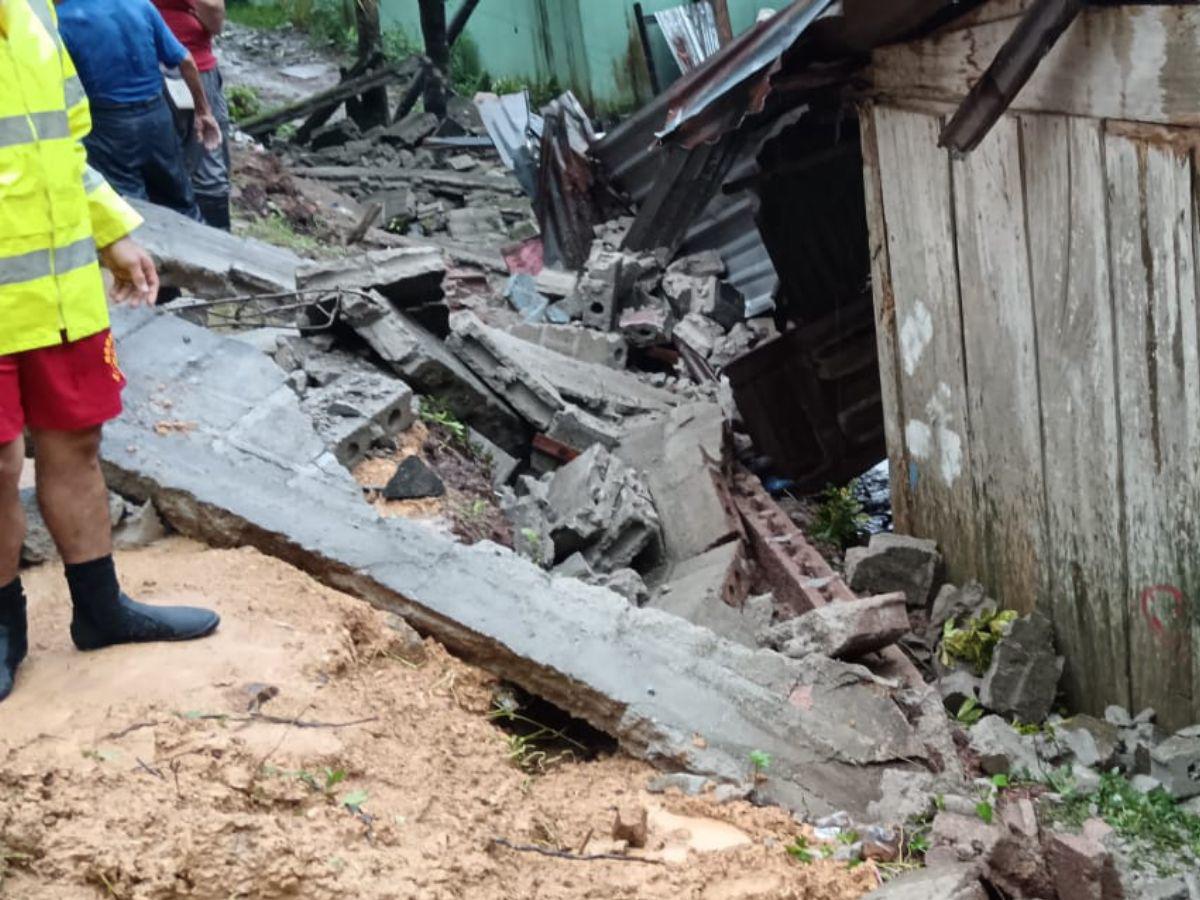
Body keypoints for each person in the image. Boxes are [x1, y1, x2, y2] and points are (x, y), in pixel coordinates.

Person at [0, 0, 221, 703]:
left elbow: (65, 144)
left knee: (76, 443)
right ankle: (4, 630)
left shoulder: (35, 11)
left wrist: (111, 233)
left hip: (59, 293)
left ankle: (101, 610)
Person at [54, 0, 222, 221]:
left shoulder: (61, 19)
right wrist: (204, 111)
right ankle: (202, 247)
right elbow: (186, 60)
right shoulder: (139, 5)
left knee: (128, 208)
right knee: (180, 201)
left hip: (108, 126)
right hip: (157, 117)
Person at [153, 0, 233, 229]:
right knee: (208, 159)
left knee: (156, 162)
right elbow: (214, 13)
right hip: (192, 64)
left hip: (138, 66)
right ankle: (217, 247)